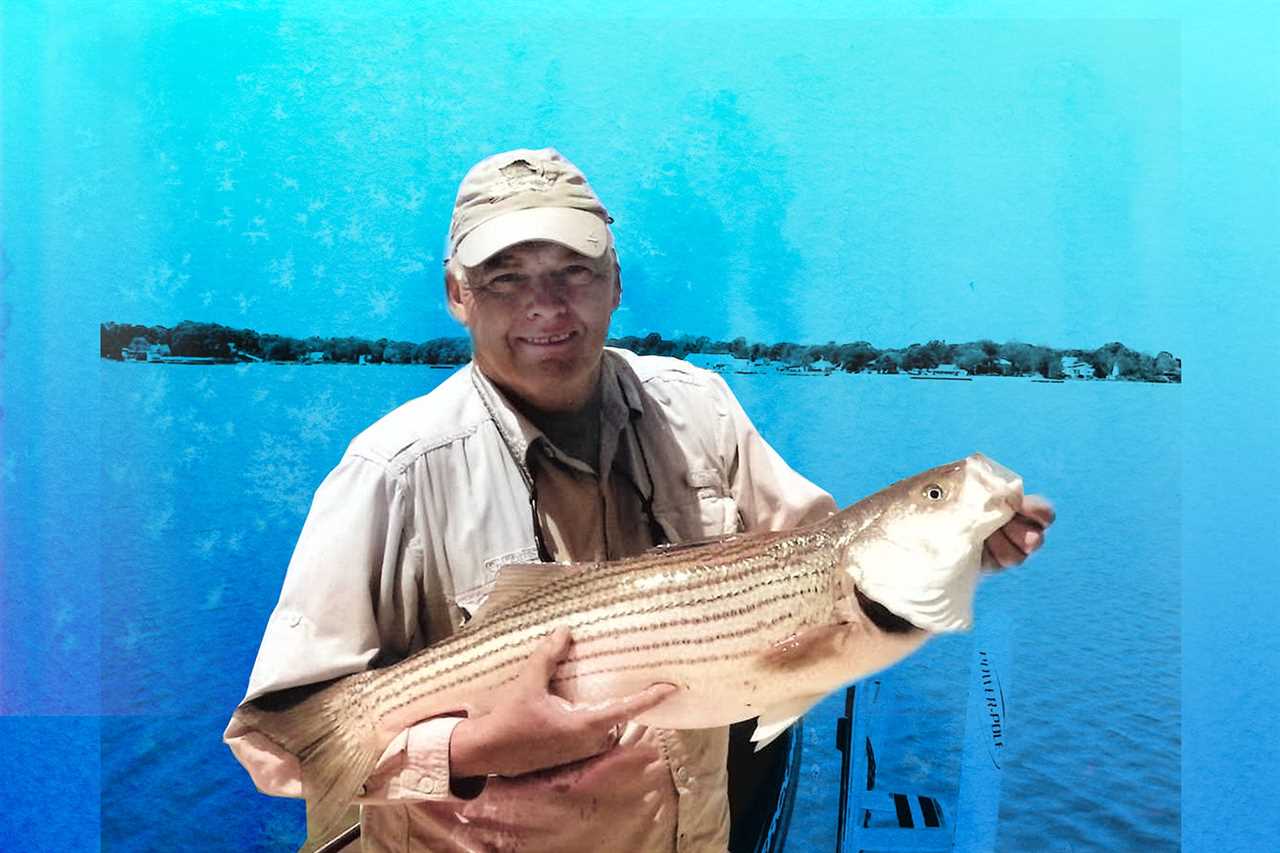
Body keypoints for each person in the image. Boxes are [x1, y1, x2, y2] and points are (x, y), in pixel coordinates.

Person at [224, 148, 1054, 853]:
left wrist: (960, 548)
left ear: (615, 280)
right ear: (456, 295)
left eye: (574, 271)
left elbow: (825, 562)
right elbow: (276, 741)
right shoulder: (392, 470)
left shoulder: (701, 408)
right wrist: (478, 745)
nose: (546, 307)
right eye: (505, 278)